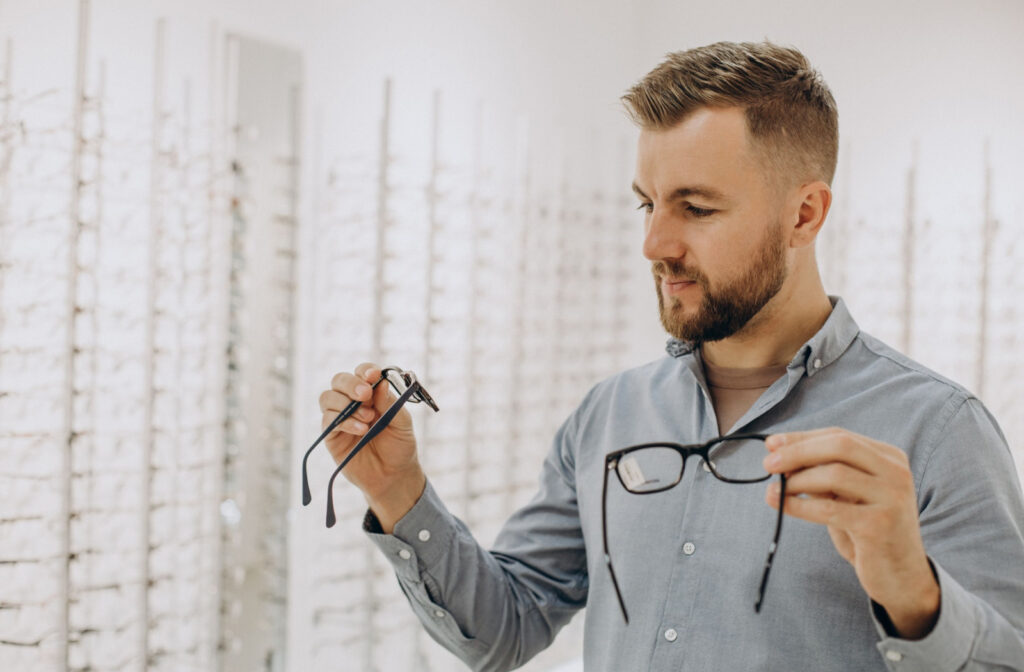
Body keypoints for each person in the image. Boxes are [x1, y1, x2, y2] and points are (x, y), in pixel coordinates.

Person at [317, 41, 1024, 671]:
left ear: (803, 214)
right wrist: (400, 492)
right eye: (646, 204)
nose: (655, 244)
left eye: (697, 207)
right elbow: (503, 632)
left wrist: (914, 592)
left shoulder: (937, 430)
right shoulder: (609, 413)